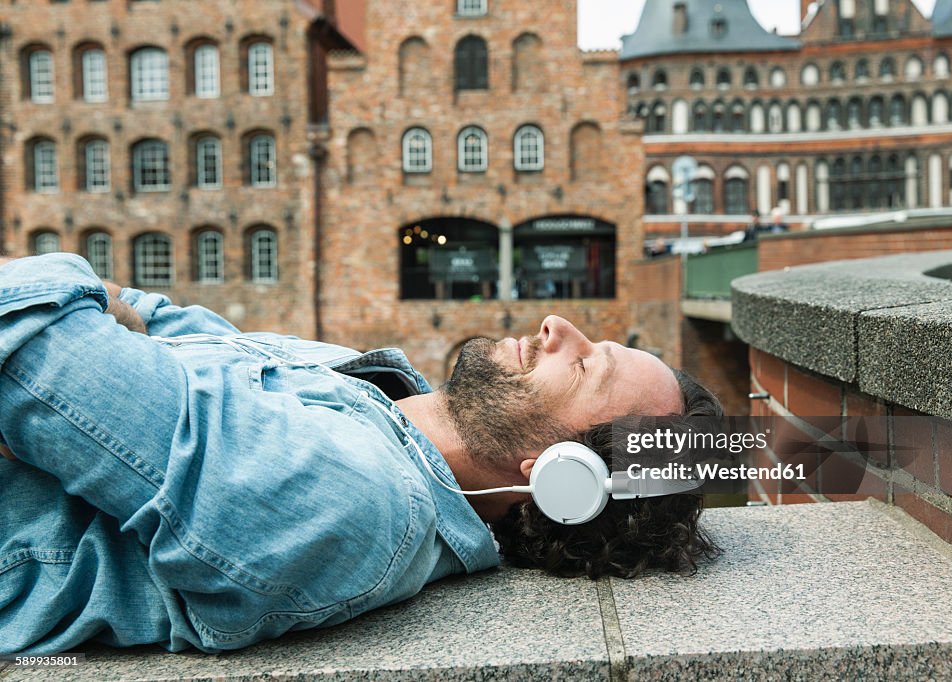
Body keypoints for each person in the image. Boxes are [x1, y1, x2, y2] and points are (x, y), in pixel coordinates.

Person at [0, 253, 721, 655]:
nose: (559, 324)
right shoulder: (374, 393)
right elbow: (160, 321)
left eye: (587, 365)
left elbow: (31, 344)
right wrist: (106, 313)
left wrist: (96, 310)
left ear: (559, 475)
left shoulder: (356, 502)